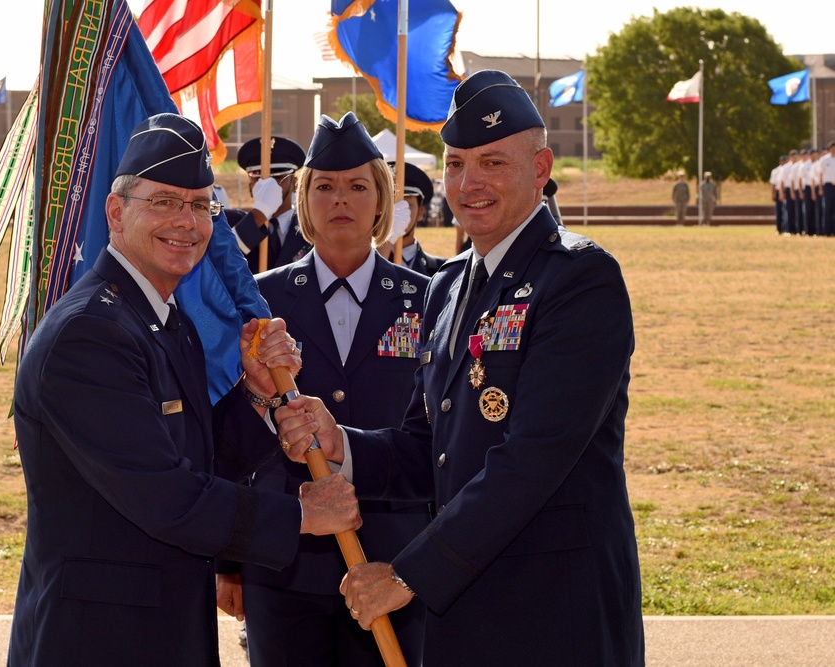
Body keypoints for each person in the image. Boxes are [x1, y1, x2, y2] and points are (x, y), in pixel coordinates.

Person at [275, 70, 644, 666]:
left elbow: (533, 456)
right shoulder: (447, 286)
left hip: (552, 612)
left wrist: (410, 573)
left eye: (493, 163)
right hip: (461, 613)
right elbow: (431, 447)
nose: (469, 184)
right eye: (455, 164)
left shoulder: (579, 280)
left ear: (541, 167)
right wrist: (340, 442)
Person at [6, 113, 362, 666]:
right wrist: (299, 515)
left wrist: (258, 396)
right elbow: (164, 495)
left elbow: (199, 458)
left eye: (200, 205)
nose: (188, 223)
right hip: (98, 640)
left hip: (160, 629)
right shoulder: (90, 336)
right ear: (116, 212)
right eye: (165, 202)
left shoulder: (163, 321)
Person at [216, 112, 431, 667]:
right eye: (325, 187)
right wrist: (229, 561)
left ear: (383, 202)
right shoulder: (259, 304)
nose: (342, 199)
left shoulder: (428, 300)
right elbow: (227, 431)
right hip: (286, 562)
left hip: (395, 558)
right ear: (304, 200)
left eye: (359, 186)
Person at [226, 135, 311, 271]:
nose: (269, 186)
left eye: (278, 178)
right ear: (250, 188)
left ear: (295, 184)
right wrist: (261, 212)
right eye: (259, 179)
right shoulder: (231, 223)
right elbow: (222, 259)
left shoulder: (310, 226)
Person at [387, 160, 446, 276]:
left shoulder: (441, 270)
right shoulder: (359, 265)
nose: (398, 212)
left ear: (421, 213)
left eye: (407, 205)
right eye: (391, 204)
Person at [821, 141, 835, 237]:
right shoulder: (825, 160)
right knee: (828, 209)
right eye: (832, 148)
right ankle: (827, 231)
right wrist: (821, 188)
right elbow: (820, 174)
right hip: (828, 186)